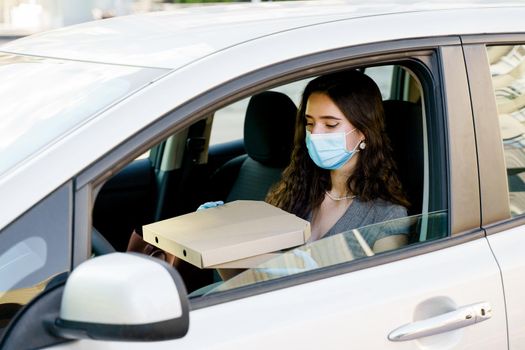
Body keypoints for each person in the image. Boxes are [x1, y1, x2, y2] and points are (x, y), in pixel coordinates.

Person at [266, 69, 409, 252]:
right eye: (310, 123)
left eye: (330, 124)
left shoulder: (386, 216)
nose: (315, 134)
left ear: (363, 131)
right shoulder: (293, 192)